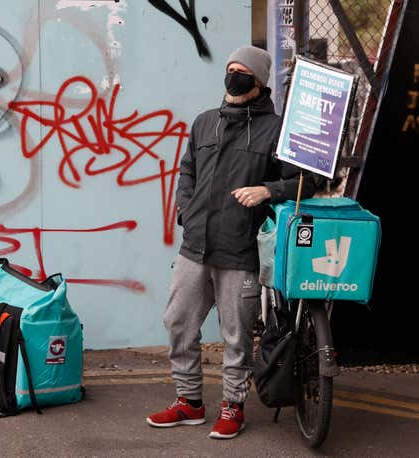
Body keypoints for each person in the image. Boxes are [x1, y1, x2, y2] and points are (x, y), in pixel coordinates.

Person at [146, 45, 316, 439]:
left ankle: (232, 407)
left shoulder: (277, 130)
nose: (234, 76)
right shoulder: (205, 123)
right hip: (195, 247)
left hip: (240, 251)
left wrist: (267, 190)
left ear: (258, 82)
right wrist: (185, 211)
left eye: (243, 72)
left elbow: (305, 183)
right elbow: (186, 171)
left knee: (236, 336)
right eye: (231, 69)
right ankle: (189, 403)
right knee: (177, 323)